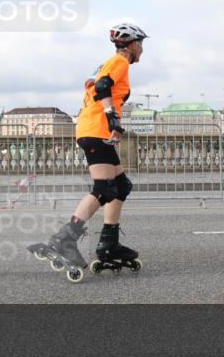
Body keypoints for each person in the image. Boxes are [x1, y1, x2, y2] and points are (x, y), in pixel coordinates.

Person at [31, 23, 148, 277]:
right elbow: (103, 87)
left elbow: (94, 86)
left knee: (121, 185)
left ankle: (109, 243)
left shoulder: (107, 64)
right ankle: (65, 238)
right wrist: (113, 119)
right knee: (104, 189)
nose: (142, 49)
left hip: (94, 130)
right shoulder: (120, 62)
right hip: (97, 130)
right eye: (140, 44)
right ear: (131, 45)